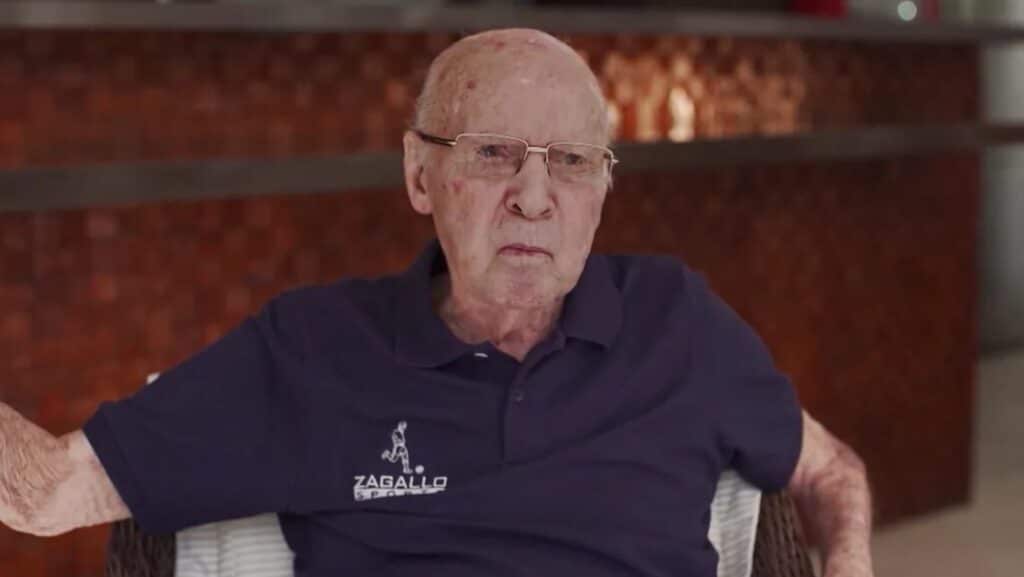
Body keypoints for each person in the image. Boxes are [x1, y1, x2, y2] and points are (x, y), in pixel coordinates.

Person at [0, 28, 873, 577]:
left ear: (603, 189)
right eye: (494, 153)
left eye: (571, 162)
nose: (535, 197)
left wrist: (850, 560)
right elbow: (45, 492)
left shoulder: (678, 321)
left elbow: (830, 470)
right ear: (421, 175)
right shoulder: (313, 347)